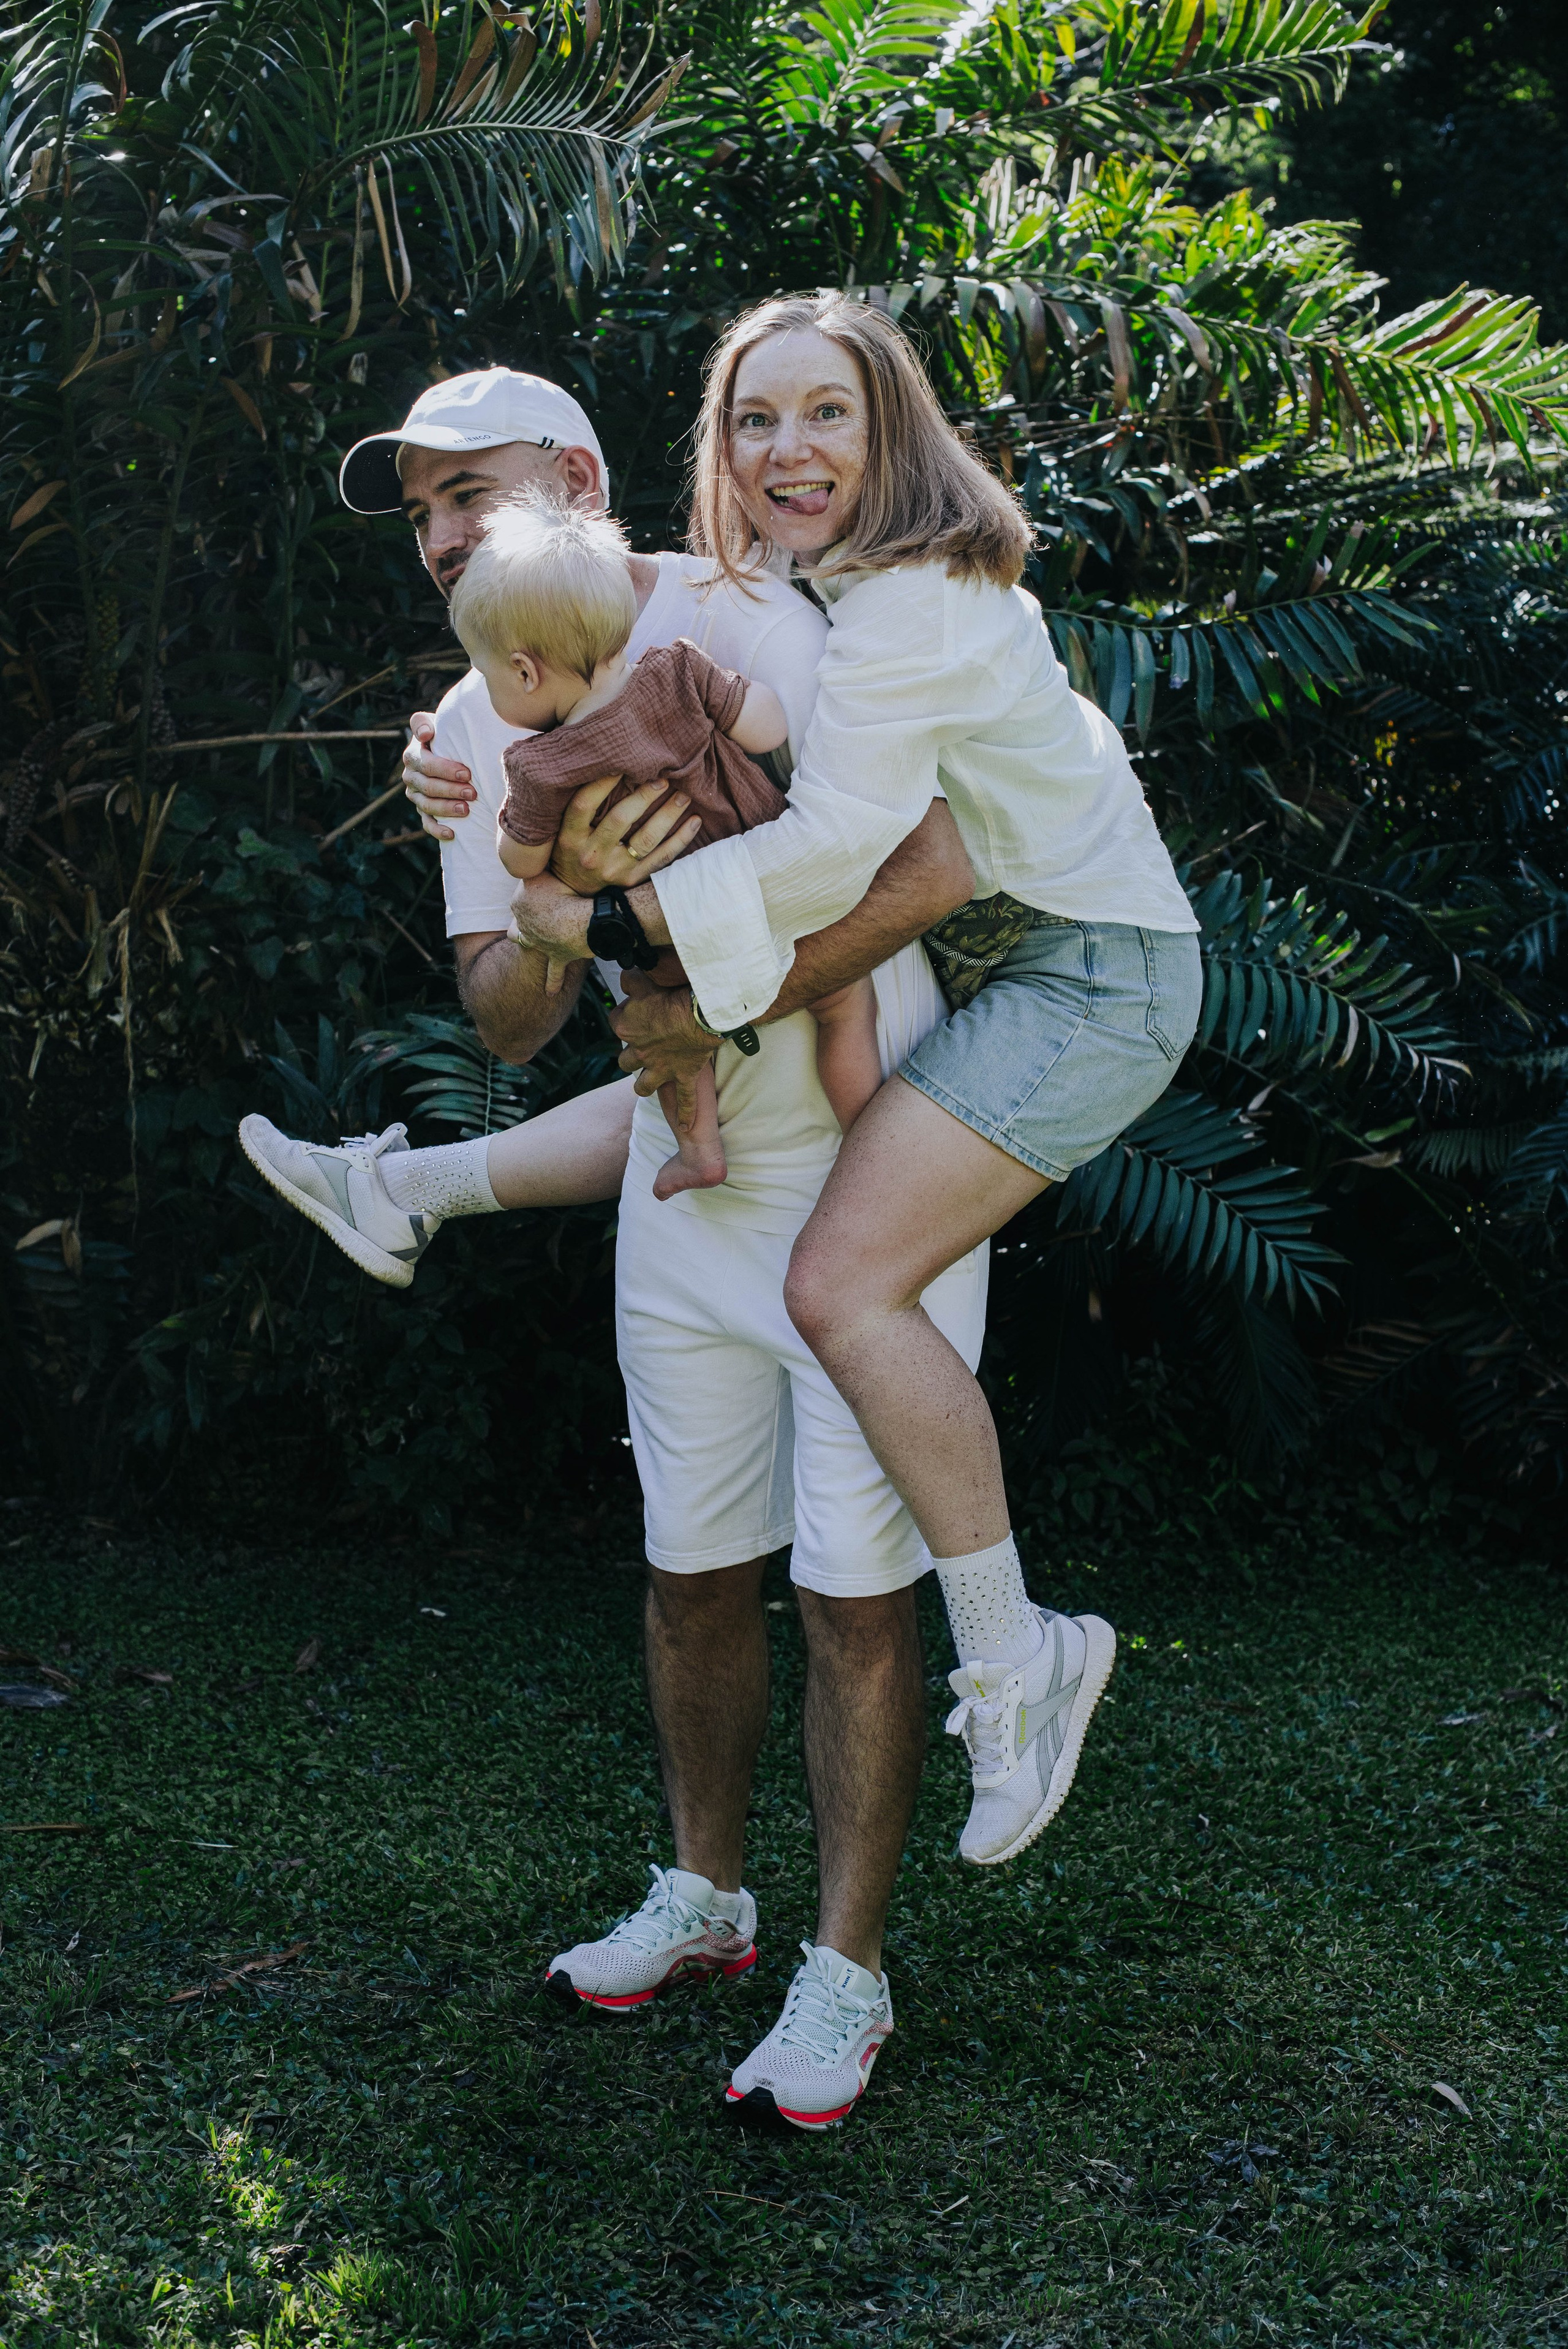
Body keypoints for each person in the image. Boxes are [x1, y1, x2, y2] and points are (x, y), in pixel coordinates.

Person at [241, 365, 1060, 2132]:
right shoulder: (475, 718)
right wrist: (561, 917)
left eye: (478, 490)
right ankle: (708, 1899)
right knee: (694, 1572)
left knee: (855, 1598)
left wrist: (658, 941)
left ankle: (847, 1974)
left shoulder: (742, 607)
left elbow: (926, 863)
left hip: (864, 1178)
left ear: (580, 480)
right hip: (676, 1203)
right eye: (423, 508)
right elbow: (508, 1014)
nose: (447, 529)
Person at [490, 297, 1204, 1872]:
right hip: (1019, 961)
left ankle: (1018, 1653)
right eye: (754, 419)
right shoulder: (844, 589)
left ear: (892, 427)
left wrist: (604, 920)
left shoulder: (905, 606)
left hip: (1088, 975)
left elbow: (834, 852)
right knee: (835, 1283)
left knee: (842, 1284)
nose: (786, 447)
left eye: (825, 412)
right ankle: (1009, 1656)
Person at [454, 491, 881, 1196]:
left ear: (526, 672)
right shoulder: (679, 669)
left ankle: (699, 1151)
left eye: (488, 674)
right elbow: (769, 729)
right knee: (844, 1009)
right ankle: (869, 1146)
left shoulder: (536, 766)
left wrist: (521, 832)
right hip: (768, 890)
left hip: (674, 937)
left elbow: (521, 862)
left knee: (670, 1041)